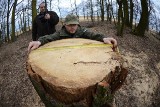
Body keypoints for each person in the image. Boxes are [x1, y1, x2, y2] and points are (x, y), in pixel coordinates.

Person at [28, 14, 117, 52]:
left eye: (74, 25)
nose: (72, 27)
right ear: (65, 25)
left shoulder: (81, 30)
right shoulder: (60, 33)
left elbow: (93, 34)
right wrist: (38, 42)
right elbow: (49, 37)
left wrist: (104, 38)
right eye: (70, 25)